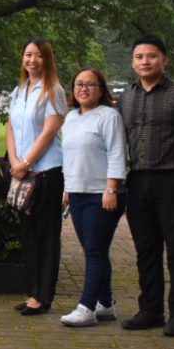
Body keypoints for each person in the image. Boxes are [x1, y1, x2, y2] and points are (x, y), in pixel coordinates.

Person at [118, 34, 174, 336]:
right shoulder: (127, 97)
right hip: (138, 180)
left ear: (165, 60)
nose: (145, 62)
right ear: (133, 62)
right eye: (139, 57)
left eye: (151, 56)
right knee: (145, 249)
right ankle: (150, 310)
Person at [59, 67, 127, 327]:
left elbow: (116, 153)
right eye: (79, 84)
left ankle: (87, 307)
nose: (84, 89)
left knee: (95, 251)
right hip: (77, 193)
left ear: (101, 89)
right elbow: (70, 157)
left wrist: (111, 189)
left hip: (102, 195)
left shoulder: (108, 116)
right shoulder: (71, 118)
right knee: (93, 250)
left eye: (90, 84)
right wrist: (67, 187)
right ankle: (106, 304)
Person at [6, 37, 67, 316]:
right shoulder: (19, 90)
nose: (32, 60)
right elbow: (11, 129)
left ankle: (44, 296)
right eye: (27, 54)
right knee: (28, 234)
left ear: (47, 59)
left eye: (38, 55)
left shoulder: (52, 90)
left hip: (46, 173)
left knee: (46, 235)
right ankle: (32, 292)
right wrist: (15, 162)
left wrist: (28, 161)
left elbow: (50, 132)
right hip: (22, 172)